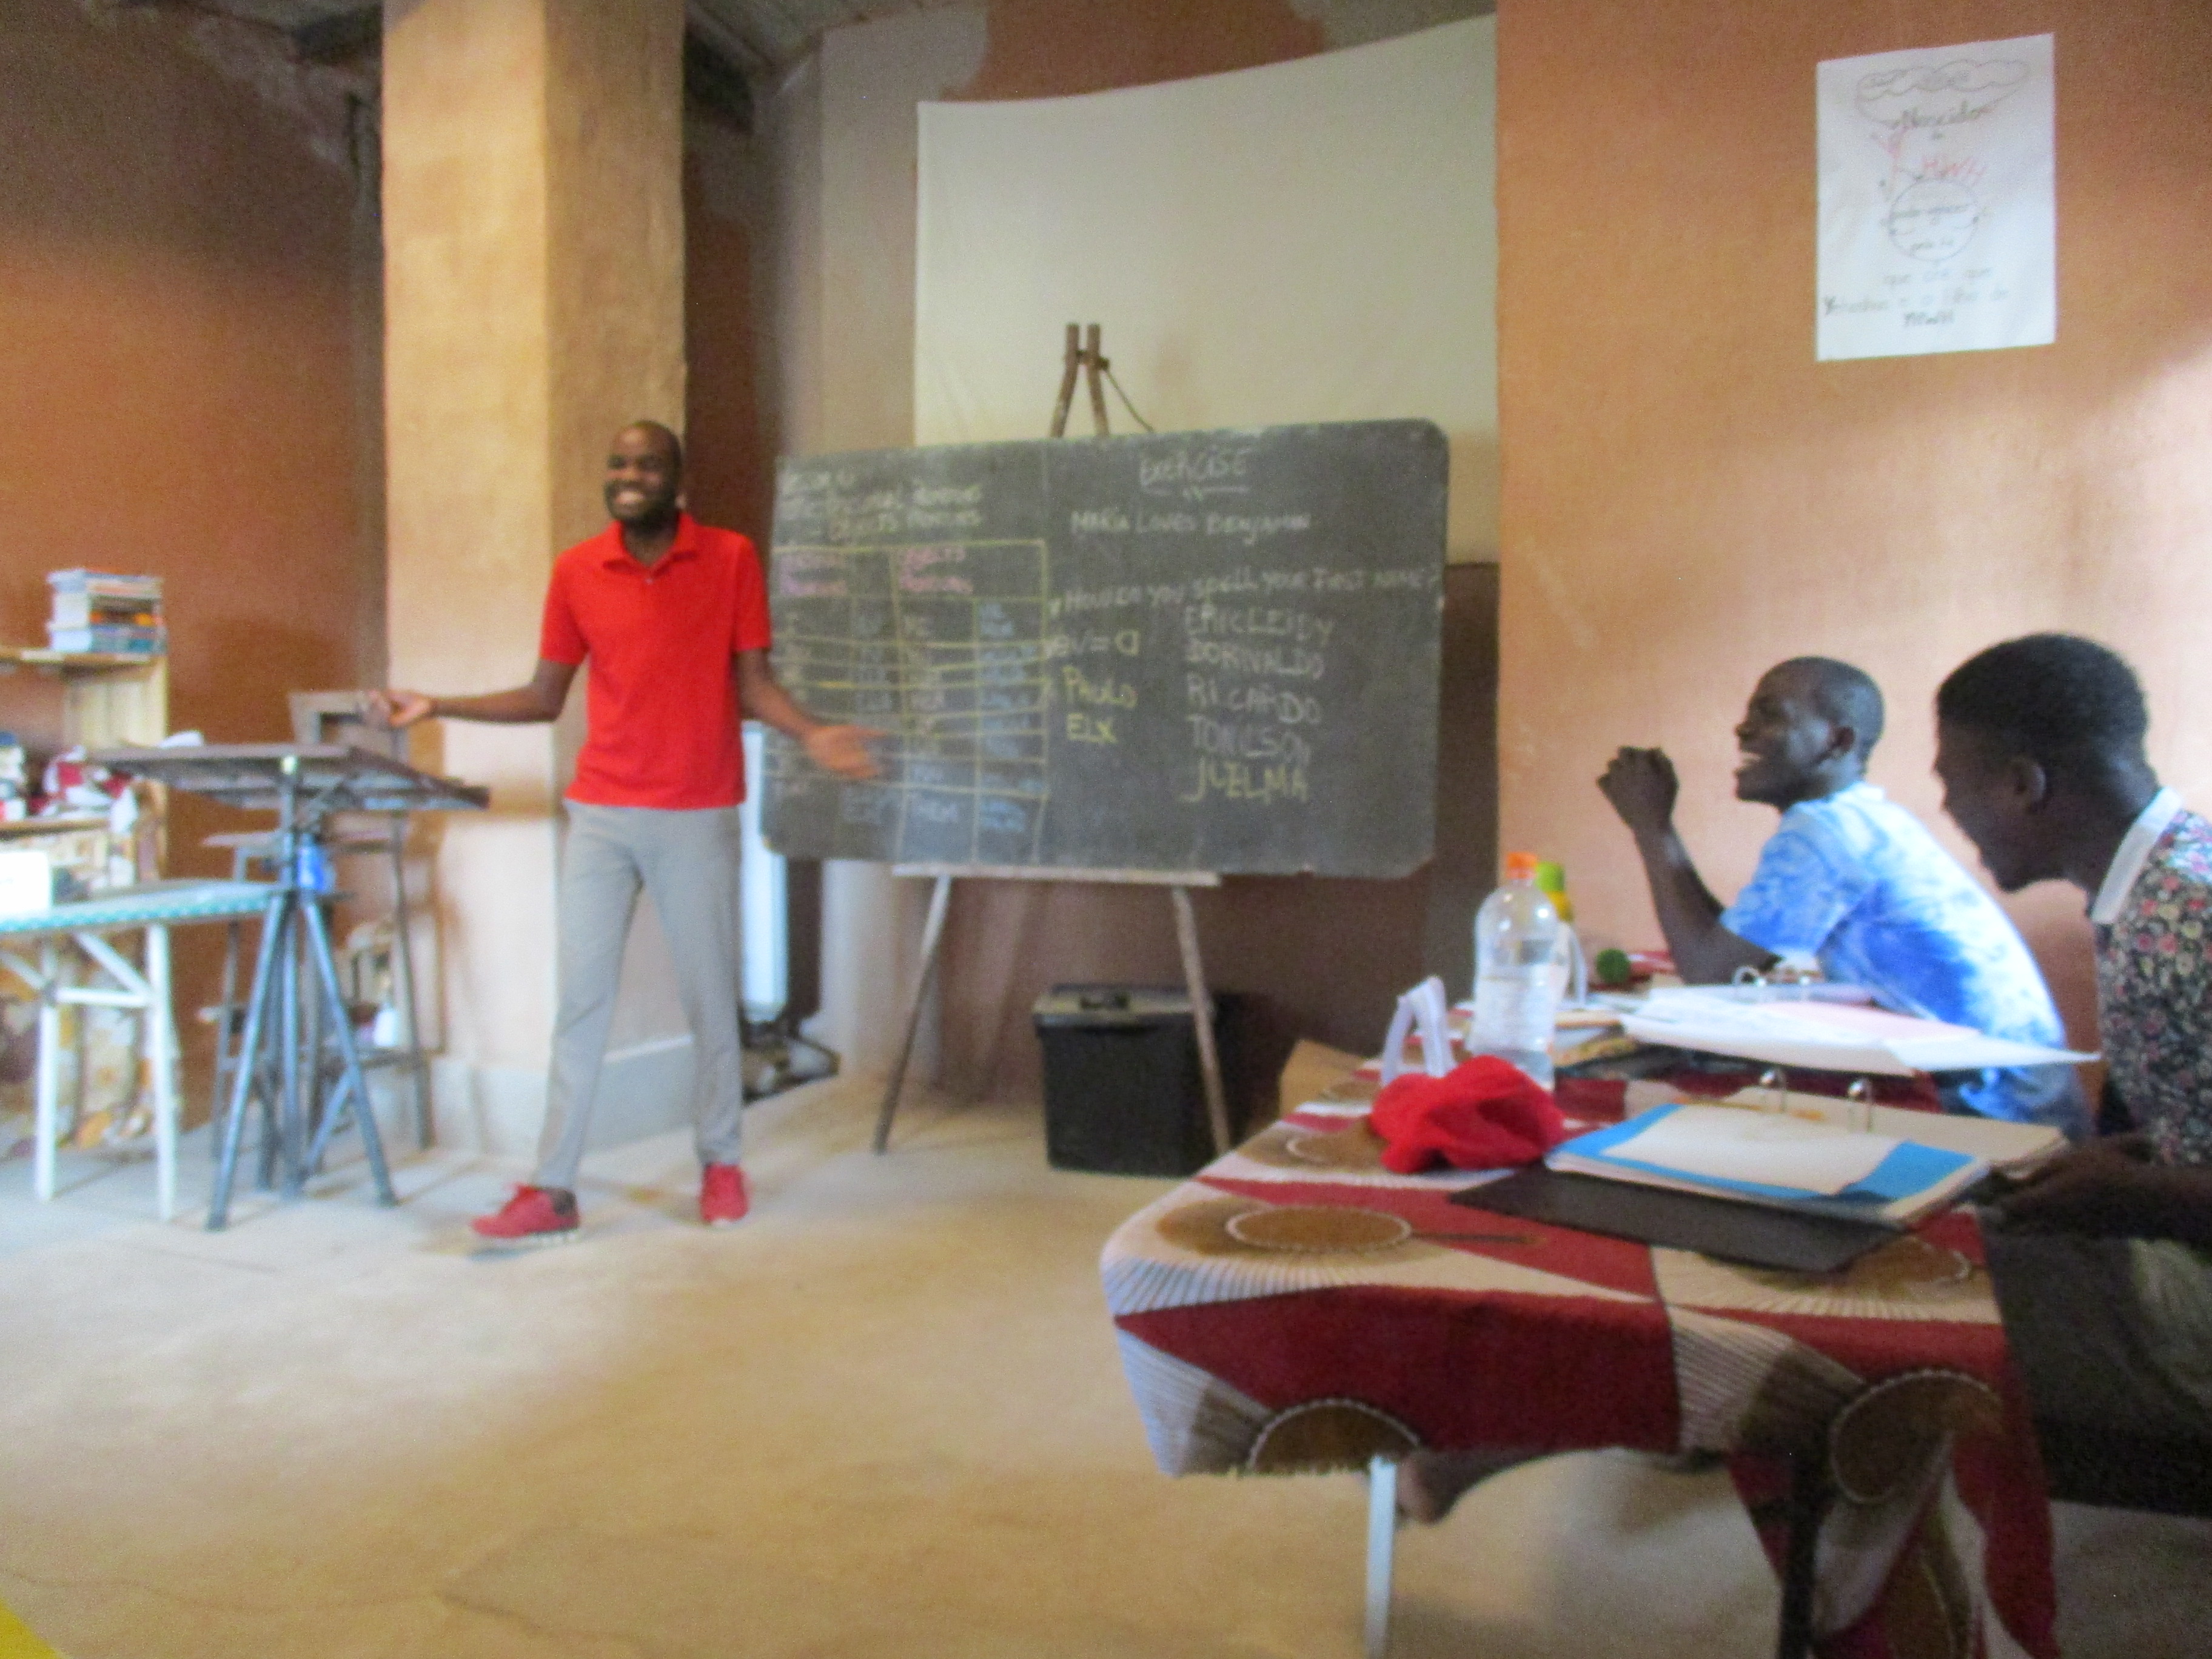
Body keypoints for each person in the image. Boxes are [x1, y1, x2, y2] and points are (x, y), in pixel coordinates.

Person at [374, 421, 878, 1245]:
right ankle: (553, 1190)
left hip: (697, 814)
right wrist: (437, 704)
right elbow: (543, 697)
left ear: (679, 483)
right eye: (618, 463)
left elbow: (754, 685)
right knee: (581, 1004)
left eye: (648, 464)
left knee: (710, 1000)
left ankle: (721, 1164)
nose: (629, 474)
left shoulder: (730, 559)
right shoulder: (577, 570)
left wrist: (814, 733)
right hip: (602, 817)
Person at [1597, 655, 2083, 1134]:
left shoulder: (1826, 832)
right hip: (2023, 1101)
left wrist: (1652, 826)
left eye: (1770, 715)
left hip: (1996, 1117)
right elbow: (1726, 950)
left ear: (1837, 741)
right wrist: (1657, 827)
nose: (1742, 730)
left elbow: (1707, 970)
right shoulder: (1856, 817)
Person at [1935, 634, 2212, 1445]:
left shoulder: (2186, 913)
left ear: (2023, 784)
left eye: (1953, 783)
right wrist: (2129, 1162)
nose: (1949, 809)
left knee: (1884, 1299)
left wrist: (2137, 1192)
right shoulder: (2157, 883)